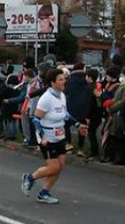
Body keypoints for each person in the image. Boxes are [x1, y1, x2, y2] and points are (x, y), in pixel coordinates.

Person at [20, 67, 88, 204]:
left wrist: (77, 125)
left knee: (60, 165)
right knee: (53, 167)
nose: (64, 82)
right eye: (61, 80)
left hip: (60, 135)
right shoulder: (46, 98)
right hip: (47, 137)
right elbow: (35, 119)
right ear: (53, 82)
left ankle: (44, 193)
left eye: (64, 79)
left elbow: (65, 114)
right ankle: (30, 178)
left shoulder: (61, 95)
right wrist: (43, 136)